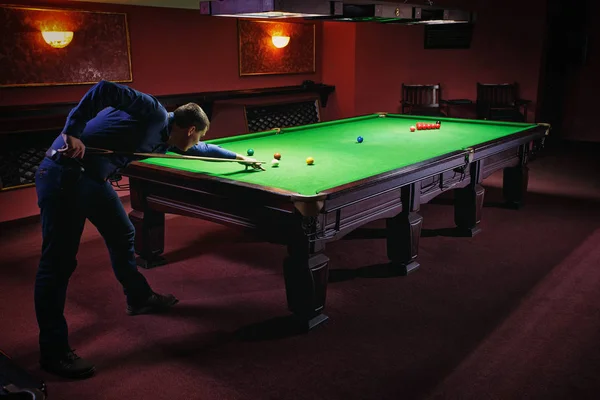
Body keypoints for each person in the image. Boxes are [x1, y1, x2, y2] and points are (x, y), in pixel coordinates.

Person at [34, 80, 261, 380]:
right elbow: (104, 89)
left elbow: (200, 149)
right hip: (63, 177)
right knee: (58, 264)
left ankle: (138, 297)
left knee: (123, 233)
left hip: (92, 181)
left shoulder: (170, 135)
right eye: (198, 136)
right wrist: (73, 131)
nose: (197, 142)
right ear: (190, 129)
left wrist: (237, 157)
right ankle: (53, 351)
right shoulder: (152, 111)